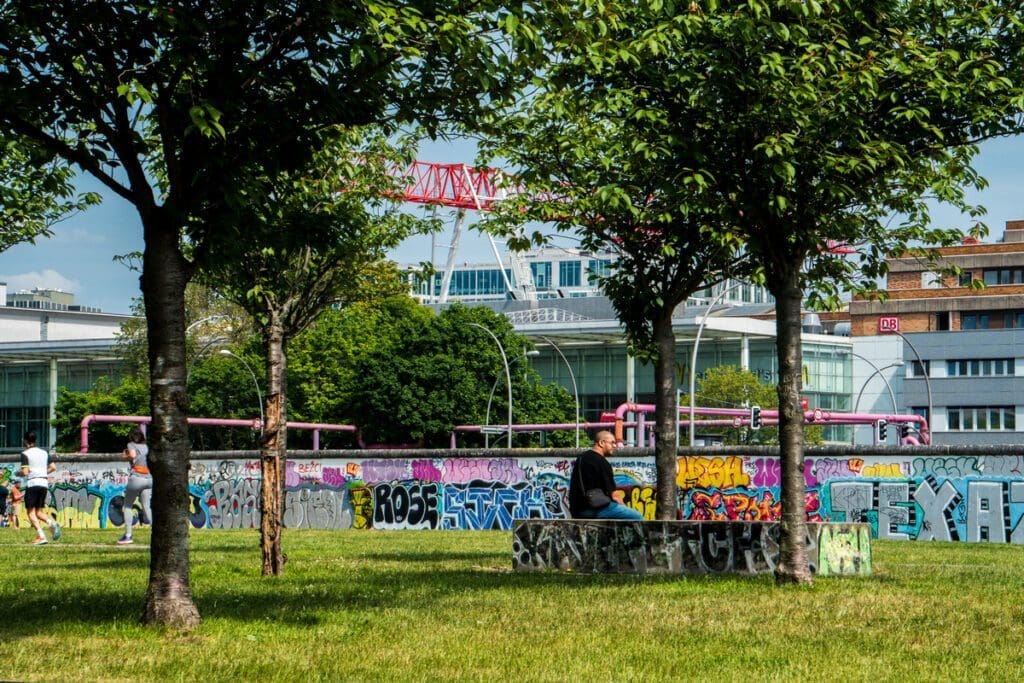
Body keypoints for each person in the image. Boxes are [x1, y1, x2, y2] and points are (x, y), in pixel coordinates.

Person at [568, 430, 644, 520]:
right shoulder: (602, 462)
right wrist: (624, 507)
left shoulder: (581, 458)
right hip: (597, 508)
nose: (614, 446)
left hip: (578, 509)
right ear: (602, 443)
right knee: (637, 516)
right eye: (612, 443)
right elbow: (614, 495)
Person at [19, 431, 60, 545]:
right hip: (43, 483)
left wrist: (19, 473)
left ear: (25, 440)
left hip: (33, 483)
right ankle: (51, 523)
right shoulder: (44, 453)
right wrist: (42, 472)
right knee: (39, 511)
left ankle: (41, 536)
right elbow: (53, 467)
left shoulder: (25, 453)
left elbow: (25, 472)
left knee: (30, 512)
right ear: (35, 440)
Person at [118, 426, 152, 545]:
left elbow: (132, 455)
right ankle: (157, 532)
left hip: (137, 476)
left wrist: (125, 456)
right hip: (148, 478)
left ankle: (128, 535)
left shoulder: (131, 444)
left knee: (127, 506)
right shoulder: (147, 446)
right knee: (146, 506)